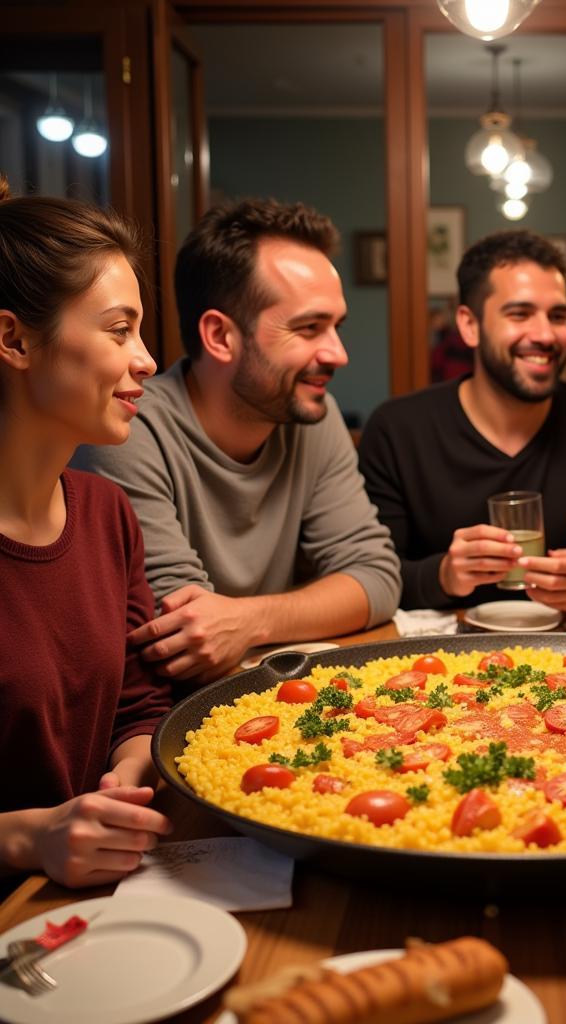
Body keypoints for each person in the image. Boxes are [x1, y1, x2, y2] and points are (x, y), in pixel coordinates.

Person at [76, 199, 401, 686]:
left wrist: (251, 620)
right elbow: (185, 630)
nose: (338, 354)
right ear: (220, 335)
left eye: (337, 327)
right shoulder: (126, 427)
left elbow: (376, 577)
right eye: (309, 328)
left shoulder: (314, 412)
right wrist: (292, 612)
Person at [0, 183, 173, 888]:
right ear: (14, 339)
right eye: (118, 330)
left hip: (99, 892)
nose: (147, 360)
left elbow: (139, 702)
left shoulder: (106, 512)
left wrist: (128, 778)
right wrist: (30, 836)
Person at [358, 230, 566, 611]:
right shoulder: (398, 430)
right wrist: (444, 574)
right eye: (520, 314)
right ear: (469, 325)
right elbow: (371, 577)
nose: (545, 334)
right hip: (436, 662)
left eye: (558, 316)